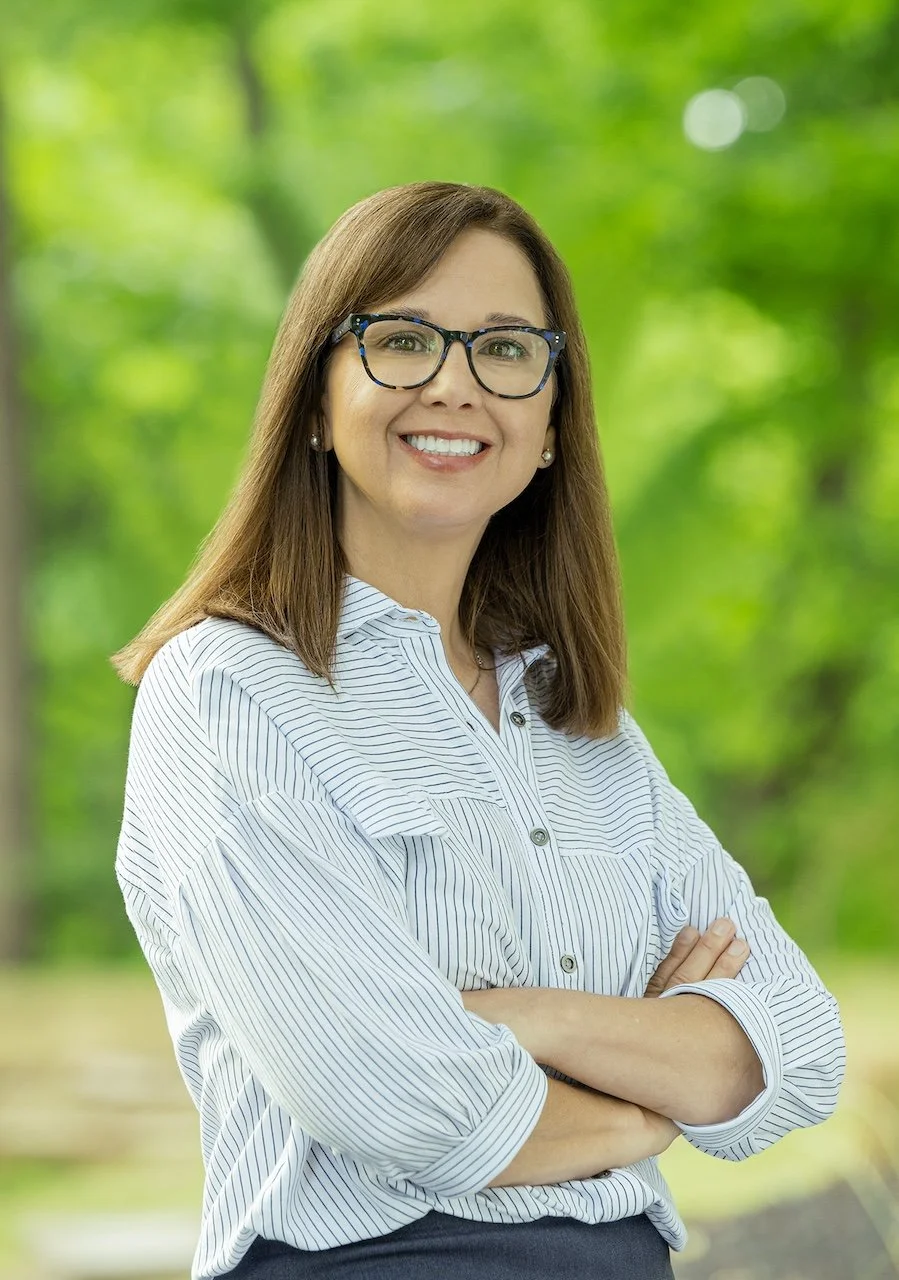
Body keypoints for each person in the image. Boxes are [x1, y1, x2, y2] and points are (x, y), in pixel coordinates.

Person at [111, 181, 845, 1280]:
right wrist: (648, 1105)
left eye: (506, 350)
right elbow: (395, 1094)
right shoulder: (228, 693)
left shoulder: (582, 724)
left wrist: (522, 1016)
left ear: (550, 421)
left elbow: (793, 1048)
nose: (453, 384)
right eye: (401, 339)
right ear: (313, 398)